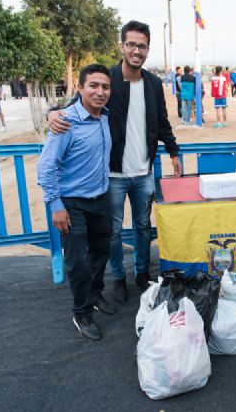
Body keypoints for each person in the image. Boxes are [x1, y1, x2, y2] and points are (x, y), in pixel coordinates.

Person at [48, 21, 182, 304]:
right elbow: (75, 105)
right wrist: (51, 112)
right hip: (112, 175)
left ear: (147, 49)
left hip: (144, 171)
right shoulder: (105, 79)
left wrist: (173, 151)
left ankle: (142, 274)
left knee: (144, 227)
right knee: (114, 231)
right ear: (122, 46)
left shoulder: (153, 83)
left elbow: (162, 121)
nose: (136, 50)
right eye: (131, 44)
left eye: (142, 45)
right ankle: (118, 277)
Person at [38, 64, 114, 341]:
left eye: (105, 87)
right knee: (78, 262)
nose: (100, 92)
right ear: (80, 88)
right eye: (93, 85)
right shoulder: (65, 122)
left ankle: (94, 296)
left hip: (100, 199)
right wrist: (56, 205)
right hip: (72, 204)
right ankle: (81, 313)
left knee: (100, 252)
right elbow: (46, 168)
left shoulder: (105, 117)